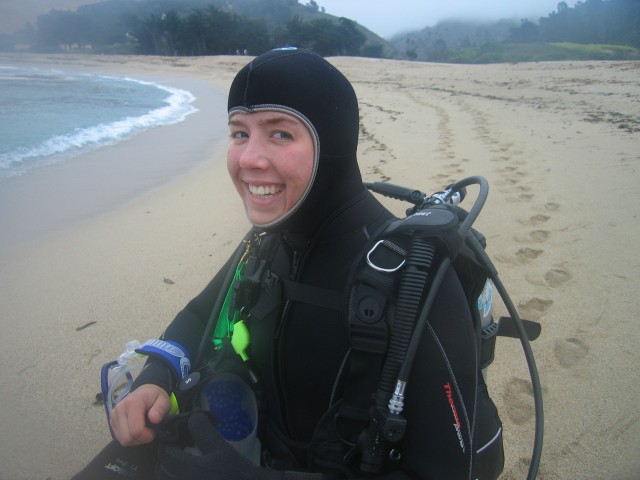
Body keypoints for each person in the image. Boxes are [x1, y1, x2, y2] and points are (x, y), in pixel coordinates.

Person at [75, 48, 503, 480]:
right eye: (239, 133)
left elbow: (450, 471)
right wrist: (156, 376)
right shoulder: (266, 243)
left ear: (331, 143)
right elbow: (201, 313)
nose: (248, 159)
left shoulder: (415, 278)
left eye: (280, 134)